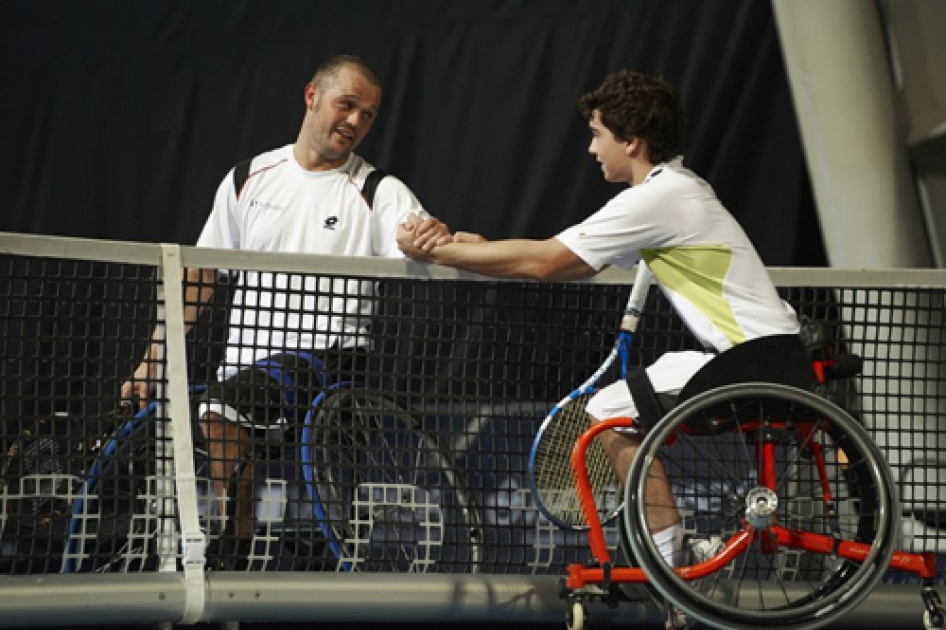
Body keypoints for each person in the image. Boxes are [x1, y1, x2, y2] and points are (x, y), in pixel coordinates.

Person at [397, 69, 801, 566]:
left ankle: (669, 562)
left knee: (608, 409)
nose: (591, 149)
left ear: (631, 141)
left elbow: (548, 260)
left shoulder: (659, 198)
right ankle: (669, 553)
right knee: (618, 402)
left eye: (597, 135)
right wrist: (472, 245)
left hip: (752, 361)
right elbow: (563, 254)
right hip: (771, 355)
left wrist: (443, 256)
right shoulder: (676, 190)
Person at [122, 54, 450, 569]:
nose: (356, 122)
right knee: (217, 412)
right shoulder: (248, 177)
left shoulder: (377, 190)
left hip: (331, 366)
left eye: (368, 114)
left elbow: (424, 236)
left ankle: (236, 546)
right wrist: (154, 355)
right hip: (247, 369)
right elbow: (203, 273)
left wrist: (427, 235)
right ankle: (240, 550)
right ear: (311, 96)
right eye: (347, 105)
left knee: (221, 410)